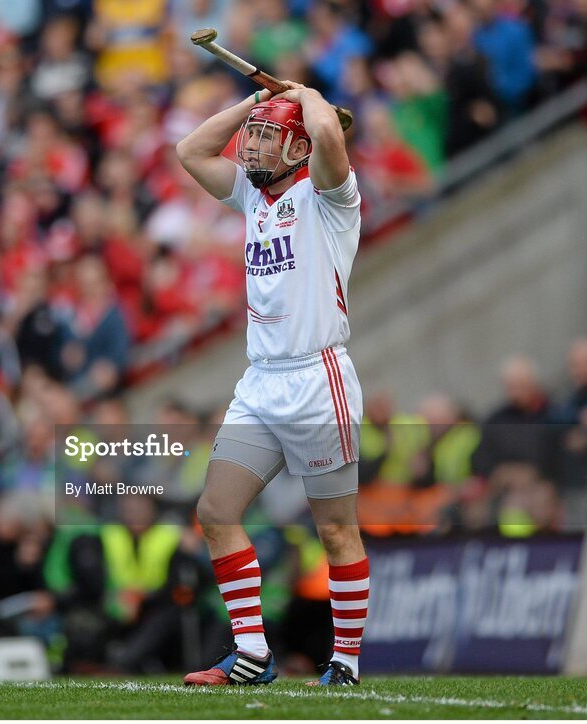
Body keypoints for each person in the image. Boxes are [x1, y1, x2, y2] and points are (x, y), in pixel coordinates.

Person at [176, 80, 368, 686]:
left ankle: (346, 661)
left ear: (298, 150)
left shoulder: (330, 198)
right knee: (215, 511)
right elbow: (190, 150)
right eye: (252, 138)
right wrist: (256, 106)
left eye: (266, 139)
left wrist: (306, 94)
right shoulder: (253, 198)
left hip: (318, 380)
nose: (251, 147)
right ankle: (253, 654)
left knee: (335, 528)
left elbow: (330, 135)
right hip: (261, 383)